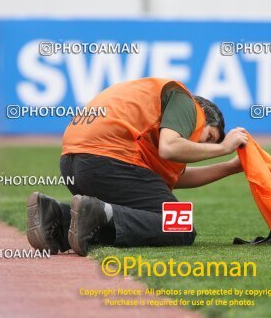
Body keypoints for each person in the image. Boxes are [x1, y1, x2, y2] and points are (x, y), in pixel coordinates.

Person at [26, 78, 248, 256]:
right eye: (209, 136)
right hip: (107, 161)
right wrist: (224, 148)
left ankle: (57, 217)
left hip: (74, 163)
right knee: (181, 226)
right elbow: (170, 147)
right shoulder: (187, 103)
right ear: (202, 113)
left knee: (166, 216)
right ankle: (99, 213)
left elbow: (176, 178)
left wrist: (230, 167)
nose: (202, 145)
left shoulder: (158, 113)